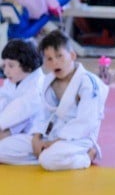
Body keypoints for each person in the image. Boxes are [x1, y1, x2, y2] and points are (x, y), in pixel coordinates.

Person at [12, 31, 108, 170]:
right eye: (49, 59)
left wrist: (56, 142)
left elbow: (87, 122)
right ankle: (48, 154)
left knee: (48, 160)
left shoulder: (88, 83)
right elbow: (43, 114)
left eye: (59, 56)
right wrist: (37, 136)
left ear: (72, 55)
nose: (55, 62)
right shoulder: (48, 80)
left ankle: (86, 157)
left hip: (77, 139)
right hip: (51, 135)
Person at [0, 39, 44, 162]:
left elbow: (10, 116)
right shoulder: (14, 80)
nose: (6, 71)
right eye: (4, 65)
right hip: (13, 131)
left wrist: (6, 132)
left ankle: (44, 153)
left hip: (34, 136)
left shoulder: (36, 88)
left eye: (11, 66)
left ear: (27, 66)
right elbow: (2, 99)